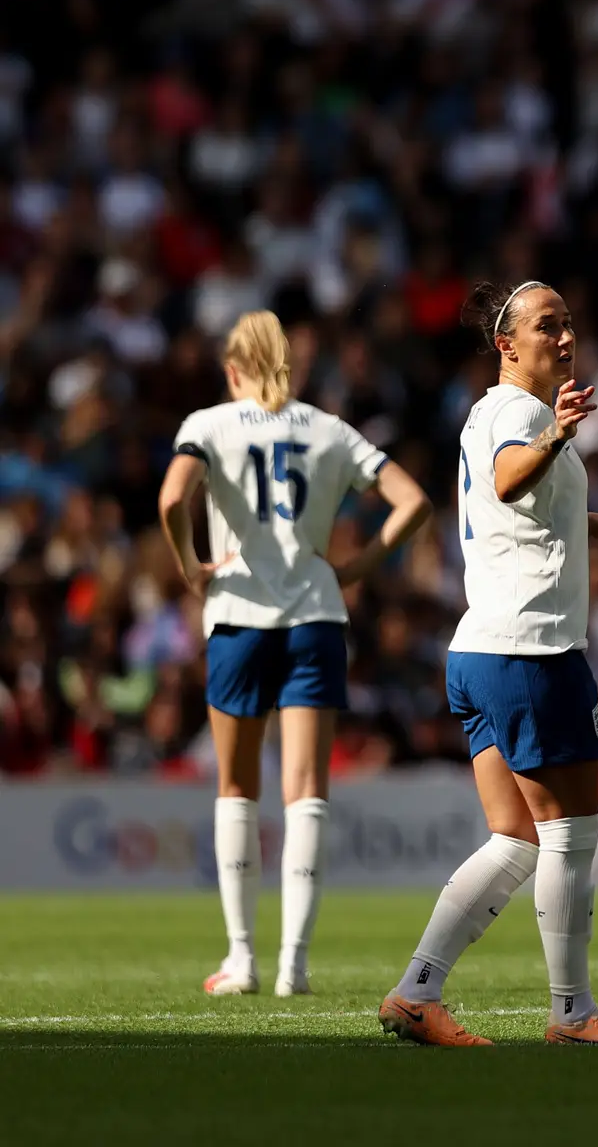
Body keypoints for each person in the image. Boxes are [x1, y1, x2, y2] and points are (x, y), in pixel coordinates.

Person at [377, 280, 598, 1046]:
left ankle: (415, 992)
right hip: (531, 651)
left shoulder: (489, 412)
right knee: (569, 834)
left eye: (569, 322)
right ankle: (574, 1014)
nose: (565, 337)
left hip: (480, 648)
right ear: (507, 344)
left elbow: (508, 509)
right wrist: (560, 437)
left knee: (515, 840)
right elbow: (509, 480)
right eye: (547, 325)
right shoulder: (523, 415)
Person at [158, 311, 432, 998]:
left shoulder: (209, 424)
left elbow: (170, 500)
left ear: (232, 370)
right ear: (289, 366)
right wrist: (362, 562)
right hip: (315, 615)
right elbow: (413, 501)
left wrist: (191, 566)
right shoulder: (327, 428)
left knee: (236, 785)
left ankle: (243, 958)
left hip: (241, 616)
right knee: (307, 789)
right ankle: (295, 966)